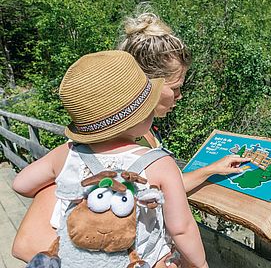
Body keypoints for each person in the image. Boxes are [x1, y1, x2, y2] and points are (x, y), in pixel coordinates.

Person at [12, 11, 249, 263]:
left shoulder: (72, 153)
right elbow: (25, 244)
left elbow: (21, 184)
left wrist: (210, 170)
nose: (180, 97)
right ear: (145, 88)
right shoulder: (153, 158)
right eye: (175, 88)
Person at [12, 50, 208, 268]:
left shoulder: (67, 153)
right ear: (141, 115)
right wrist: (200, 264)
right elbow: (182, 228)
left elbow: (20, 184)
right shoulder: (159, 163)